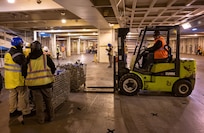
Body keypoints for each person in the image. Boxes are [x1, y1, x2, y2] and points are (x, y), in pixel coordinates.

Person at [23, 41, 56, 124]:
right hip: (46, 83)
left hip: (34, 85)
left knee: (38, 104)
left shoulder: (28, 59)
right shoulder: (45, 58)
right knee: (48, 101)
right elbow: (53, 68)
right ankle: (51, 117)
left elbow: (23, 72)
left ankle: (41, 120)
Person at [4, 37, 31, 118]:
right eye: (21, 43)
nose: (22, 45)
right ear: (19, 44)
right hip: (17, 79)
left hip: (10, 79)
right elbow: (24, 64)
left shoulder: (8, 52)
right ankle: (24, 110)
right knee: (22, 94)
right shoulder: (17, 54)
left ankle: (12, 111)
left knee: (12, 94)